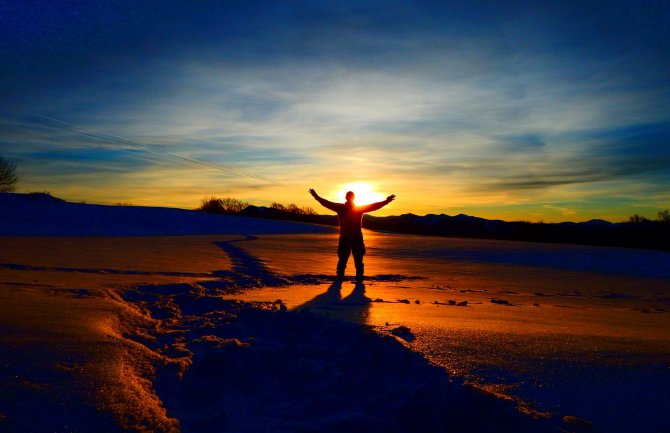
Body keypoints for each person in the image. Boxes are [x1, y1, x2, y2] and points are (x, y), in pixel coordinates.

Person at [309, 188, 395, 281]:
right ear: (348, 198)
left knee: (355, 261)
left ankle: (354, 279)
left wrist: (386, 201)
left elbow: (374, 206)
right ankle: (343, 279)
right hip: (348, 237)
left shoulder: (354, 208)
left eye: (351, 197)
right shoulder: (344, 208)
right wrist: (316, 197)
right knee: (345, 260)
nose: (350, 198)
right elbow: (326, 203)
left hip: (354, 237)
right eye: (349, 197)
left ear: (351, 198)